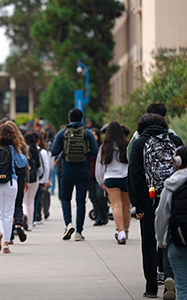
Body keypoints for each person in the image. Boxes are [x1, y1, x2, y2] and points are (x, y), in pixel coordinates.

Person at [128, 113, 183, 298]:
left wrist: (137, 205)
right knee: (170, 239)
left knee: (149, 242)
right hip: (174, 199)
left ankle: (151, 287)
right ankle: (171, 278)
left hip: (148, 199)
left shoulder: (139, 144)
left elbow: (134, 176)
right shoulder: (175, 140)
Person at [51, 108, 98, 241]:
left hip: (67, 169)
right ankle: (79, 232)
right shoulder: (87, 133)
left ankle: (68, 224)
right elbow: (94, 151)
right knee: (80, 201)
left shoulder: (62, 133)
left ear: (69, 119)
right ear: (82, 119)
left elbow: (54, 151)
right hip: (83, 169)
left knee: (65, 198)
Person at [0, 121, 28, 254]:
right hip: (11, 183)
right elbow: (22, 163)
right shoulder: (13, 148)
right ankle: (5, 243)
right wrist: (19, 150)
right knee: (8, 214)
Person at [155, 145, 187, 300]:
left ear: (177, 161)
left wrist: (162, 241)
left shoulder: (171, 184)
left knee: (182, 288)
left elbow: (161, 215)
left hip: (178, 241)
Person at [95, 122, 130, 244]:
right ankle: (125, 231)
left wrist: (100, 180)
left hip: (111, 178)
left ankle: (120, 233)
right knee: (125, 207)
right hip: (126, 177)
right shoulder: (127, 144)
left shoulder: (104, 147)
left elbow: (99, 166)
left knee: (116, 206)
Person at [88, 128, 108, 226]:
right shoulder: (87, 146)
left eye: (95, 134)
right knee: (92, 196)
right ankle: (98, 216)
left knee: (100, 196)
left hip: (100, 174)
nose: (93, 136)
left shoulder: (102, 147)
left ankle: (104, 214)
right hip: (90, 174)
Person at [22, 133, 41, 231]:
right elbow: (39, 165)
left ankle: (24, 214)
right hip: (34, 179)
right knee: (31, 202)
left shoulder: (23, 150)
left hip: (25, 178)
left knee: (24, 202)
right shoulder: (36, 150)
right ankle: (29, 225)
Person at [36, 130, 51, 222]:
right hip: (42, 177)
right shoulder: (44, 151)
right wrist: (46, 179)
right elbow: (47, 165)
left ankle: (37, 214)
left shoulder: (31, 149)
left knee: (36, 197)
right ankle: (45, 212)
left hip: (34, 177)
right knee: (44, 194)